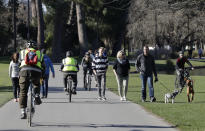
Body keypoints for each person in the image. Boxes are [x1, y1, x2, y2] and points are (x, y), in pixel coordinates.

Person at [18, 41, 45, 119]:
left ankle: (23, 112)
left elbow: (19, 64)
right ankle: (37, 95)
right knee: (37, 83)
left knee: (23, 92)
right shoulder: (40, 53)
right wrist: (42, 76)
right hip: (37, 72)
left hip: (24, 72)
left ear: (27, 46)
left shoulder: (22, 52)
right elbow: (43, 66)